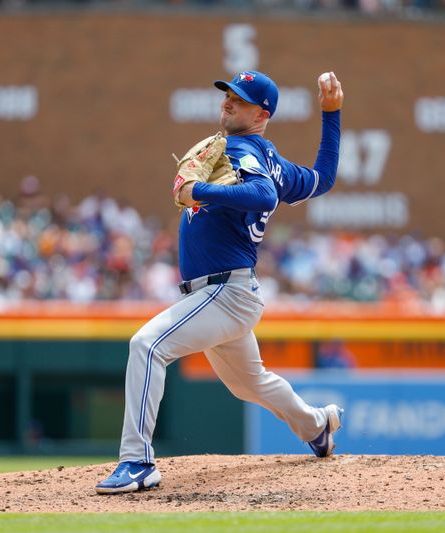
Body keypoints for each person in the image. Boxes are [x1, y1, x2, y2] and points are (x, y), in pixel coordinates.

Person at [96, 70, 345, 494]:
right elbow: (322, 178)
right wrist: (331, 113)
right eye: (228, 94)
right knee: (250, 383)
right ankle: (317, 424)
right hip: (222, 293)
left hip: (225, 292)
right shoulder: (265, 157)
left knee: (147, 345)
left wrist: (201, 191)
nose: (228, 102)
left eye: (240, 99)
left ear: (262, 113)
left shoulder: (244, 150)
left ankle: (137, 462)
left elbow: (263, 195)